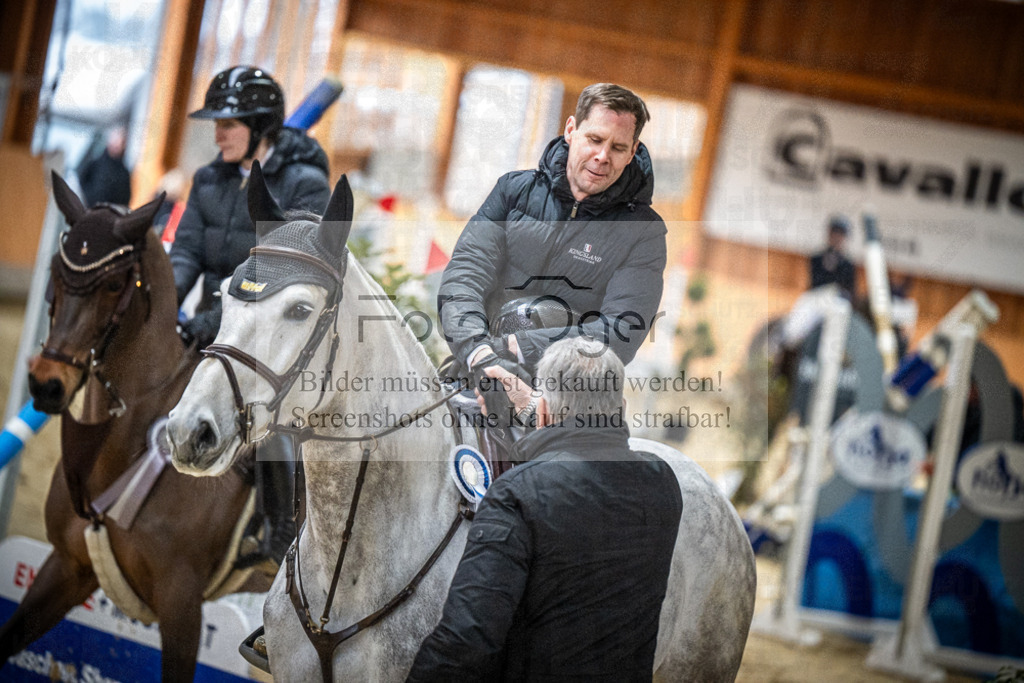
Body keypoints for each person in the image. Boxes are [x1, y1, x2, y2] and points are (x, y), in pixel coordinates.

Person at [407, 336, 683, 682]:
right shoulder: (663, 482)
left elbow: (466, 641)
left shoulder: (517, 494)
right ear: (622, 407)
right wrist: (540, 415)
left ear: (543, 411)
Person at [171, 65, 331, 567]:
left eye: (229, 124)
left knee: (273, 411)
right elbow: (186, 251)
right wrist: (168, 307)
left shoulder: (306, 185)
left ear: (260, 127)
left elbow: (281, 276)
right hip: (206, 325)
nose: (218, 135)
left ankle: (281, 525)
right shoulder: (207, 179)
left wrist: (213, 319)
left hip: (268, 333)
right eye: (217, 124)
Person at [437, 83, 667, 423]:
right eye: (595, 139)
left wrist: (514, 348)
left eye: (618, 147)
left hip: (567, 403)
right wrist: (480, 353)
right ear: (571, 130)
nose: (603, 156)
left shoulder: (644, 234)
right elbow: (464, 277)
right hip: (477, 367)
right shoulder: (513, 191)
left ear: (633, 152)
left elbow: (621, 331)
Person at [77, 126, 132, 208]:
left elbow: (126, 198)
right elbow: (81, 177)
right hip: (90, 209)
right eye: (116, 141)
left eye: (121, 142)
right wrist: (89, 198)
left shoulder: (124, 173)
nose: (117, 145)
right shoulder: (96, 163)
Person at [809, 215, 855, 299]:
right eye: (834, 233)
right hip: (817, 300)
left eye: (840, 234)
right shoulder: (816, 259)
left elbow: (851, 292)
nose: (836, 237)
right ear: (829, 234)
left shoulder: (848, 266)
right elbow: (814, 285)